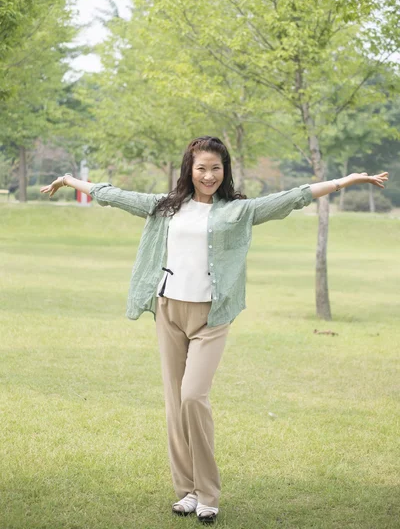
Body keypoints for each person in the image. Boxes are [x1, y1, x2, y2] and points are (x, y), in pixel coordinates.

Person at [40, 136, 389, 524]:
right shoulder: (165, 206)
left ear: (225, 171)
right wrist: (71, 180)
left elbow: (295, 196)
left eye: (215, 168)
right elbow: (112, 194)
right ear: (189, 168)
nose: (208, 175)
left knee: (193, 395)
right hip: (169, 309)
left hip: (211, 316)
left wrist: (346, 181)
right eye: (201, 167)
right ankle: (186, 491)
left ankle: (208, 493)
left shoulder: (238, 210)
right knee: (175, 404)